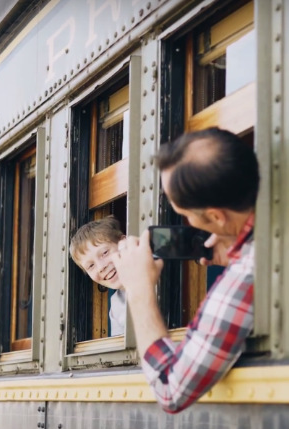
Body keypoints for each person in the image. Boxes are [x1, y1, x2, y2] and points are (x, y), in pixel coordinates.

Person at [111, 127, 259, 413]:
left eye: (186, 216)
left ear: (216, 216)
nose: (188, 223)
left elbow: (171, 389)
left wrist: (139, 289)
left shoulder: (245, 275)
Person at [68, 216, 128, 336]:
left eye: (105, 253)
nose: (101, 267)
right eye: (90, 266)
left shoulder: (154, 277)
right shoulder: (116, 303)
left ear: (124, 243)